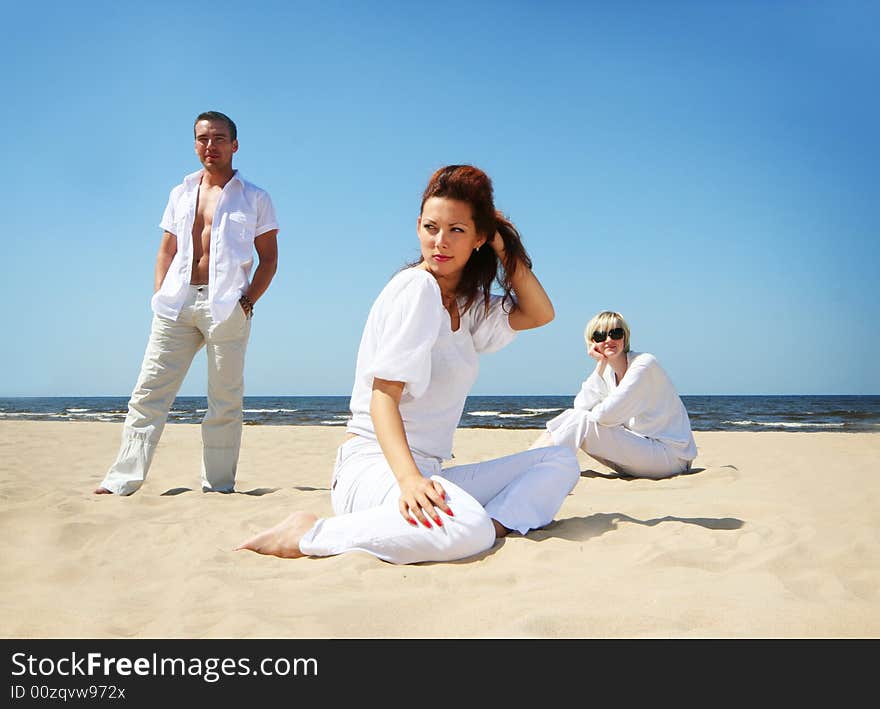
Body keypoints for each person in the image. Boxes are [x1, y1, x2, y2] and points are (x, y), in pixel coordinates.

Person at [236, 165, 579, 564]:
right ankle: (310, 533)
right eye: (431, 227)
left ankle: (492, 524)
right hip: (375, 467)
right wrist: (409, 480)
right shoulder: (417, 289)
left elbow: (540, 313)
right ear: (418, 226)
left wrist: (505, 247)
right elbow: (383, 396)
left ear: (478, 239)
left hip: (428, 470)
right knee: (467, 529)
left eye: (457, 230)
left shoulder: (468, 306)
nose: (440, 241)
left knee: (558, 458)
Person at [95, 111, 279, 495]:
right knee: (149, 393)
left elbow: (270, 258)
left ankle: (218, 485)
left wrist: (247, 300)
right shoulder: (179, 193)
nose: (210, 146)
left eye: (218, 138)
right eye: (202, 138)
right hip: (176, 305)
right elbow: (167, 249)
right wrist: (160, 294)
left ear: (234, 144)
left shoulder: (256, 198)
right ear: (195, 143)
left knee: (225, 401)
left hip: (227, 307)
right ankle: (121, 480)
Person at [531, 311, 697, 478]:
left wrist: (591, 415)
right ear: (592, 342)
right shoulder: (608, 373)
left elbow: (605, 416)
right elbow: (580, 406)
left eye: (616, 333)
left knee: (581, 420)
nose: (609, 340)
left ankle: (533, 469)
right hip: (644, 452)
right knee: (574, 417)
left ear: (625, 337)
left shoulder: (644, 364)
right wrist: (601, 364)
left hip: (671, 458)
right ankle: (529, 463)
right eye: (600, 335)